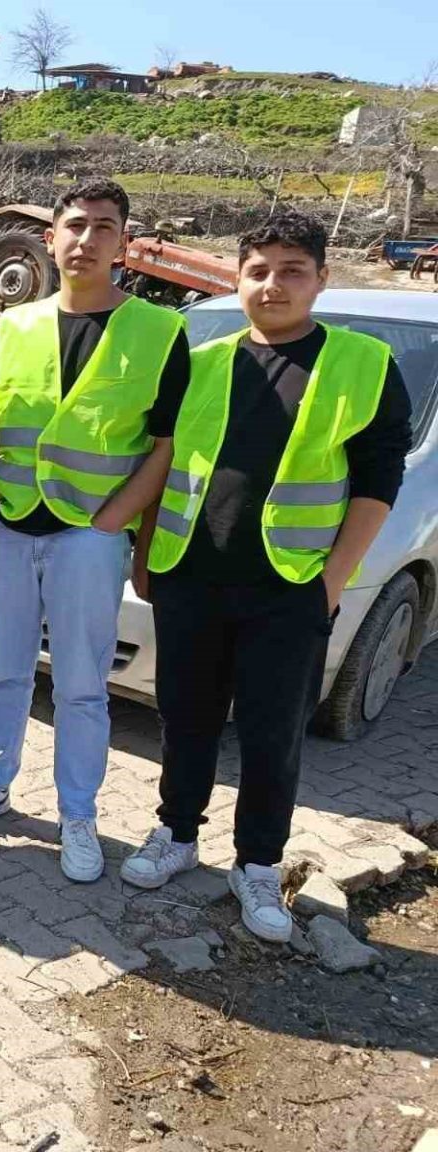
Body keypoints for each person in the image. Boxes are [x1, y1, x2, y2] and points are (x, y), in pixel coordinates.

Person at [121, 213, 410, 940]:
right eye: (258, 270)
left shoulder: (363, 364)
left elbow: (378, 483)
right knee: (185, 718)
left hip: (289, 589)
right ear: (238, 277)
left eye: (292, 270)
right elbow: (164, 467)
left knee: (272, 733)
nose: (272, 284)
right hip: (191, 579)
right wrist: (146, 555)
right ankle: (176, 834)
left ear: (320, 278)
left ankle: (256, 864)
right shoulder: (204, 361)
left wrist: (332, 583)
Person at [0, 180, 190, 884]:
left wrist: (112, 522)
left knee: (80, 686)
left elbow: (165, 446)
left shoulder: (159, 332)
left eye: (104, 227)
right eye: (75, 225)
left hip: (89, 538)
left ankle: (78, 815)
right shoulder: (16, 326)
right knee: (2, 671)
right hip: (12, 529)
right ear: (51, 239)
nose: (86, 239)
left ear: (124, 243)